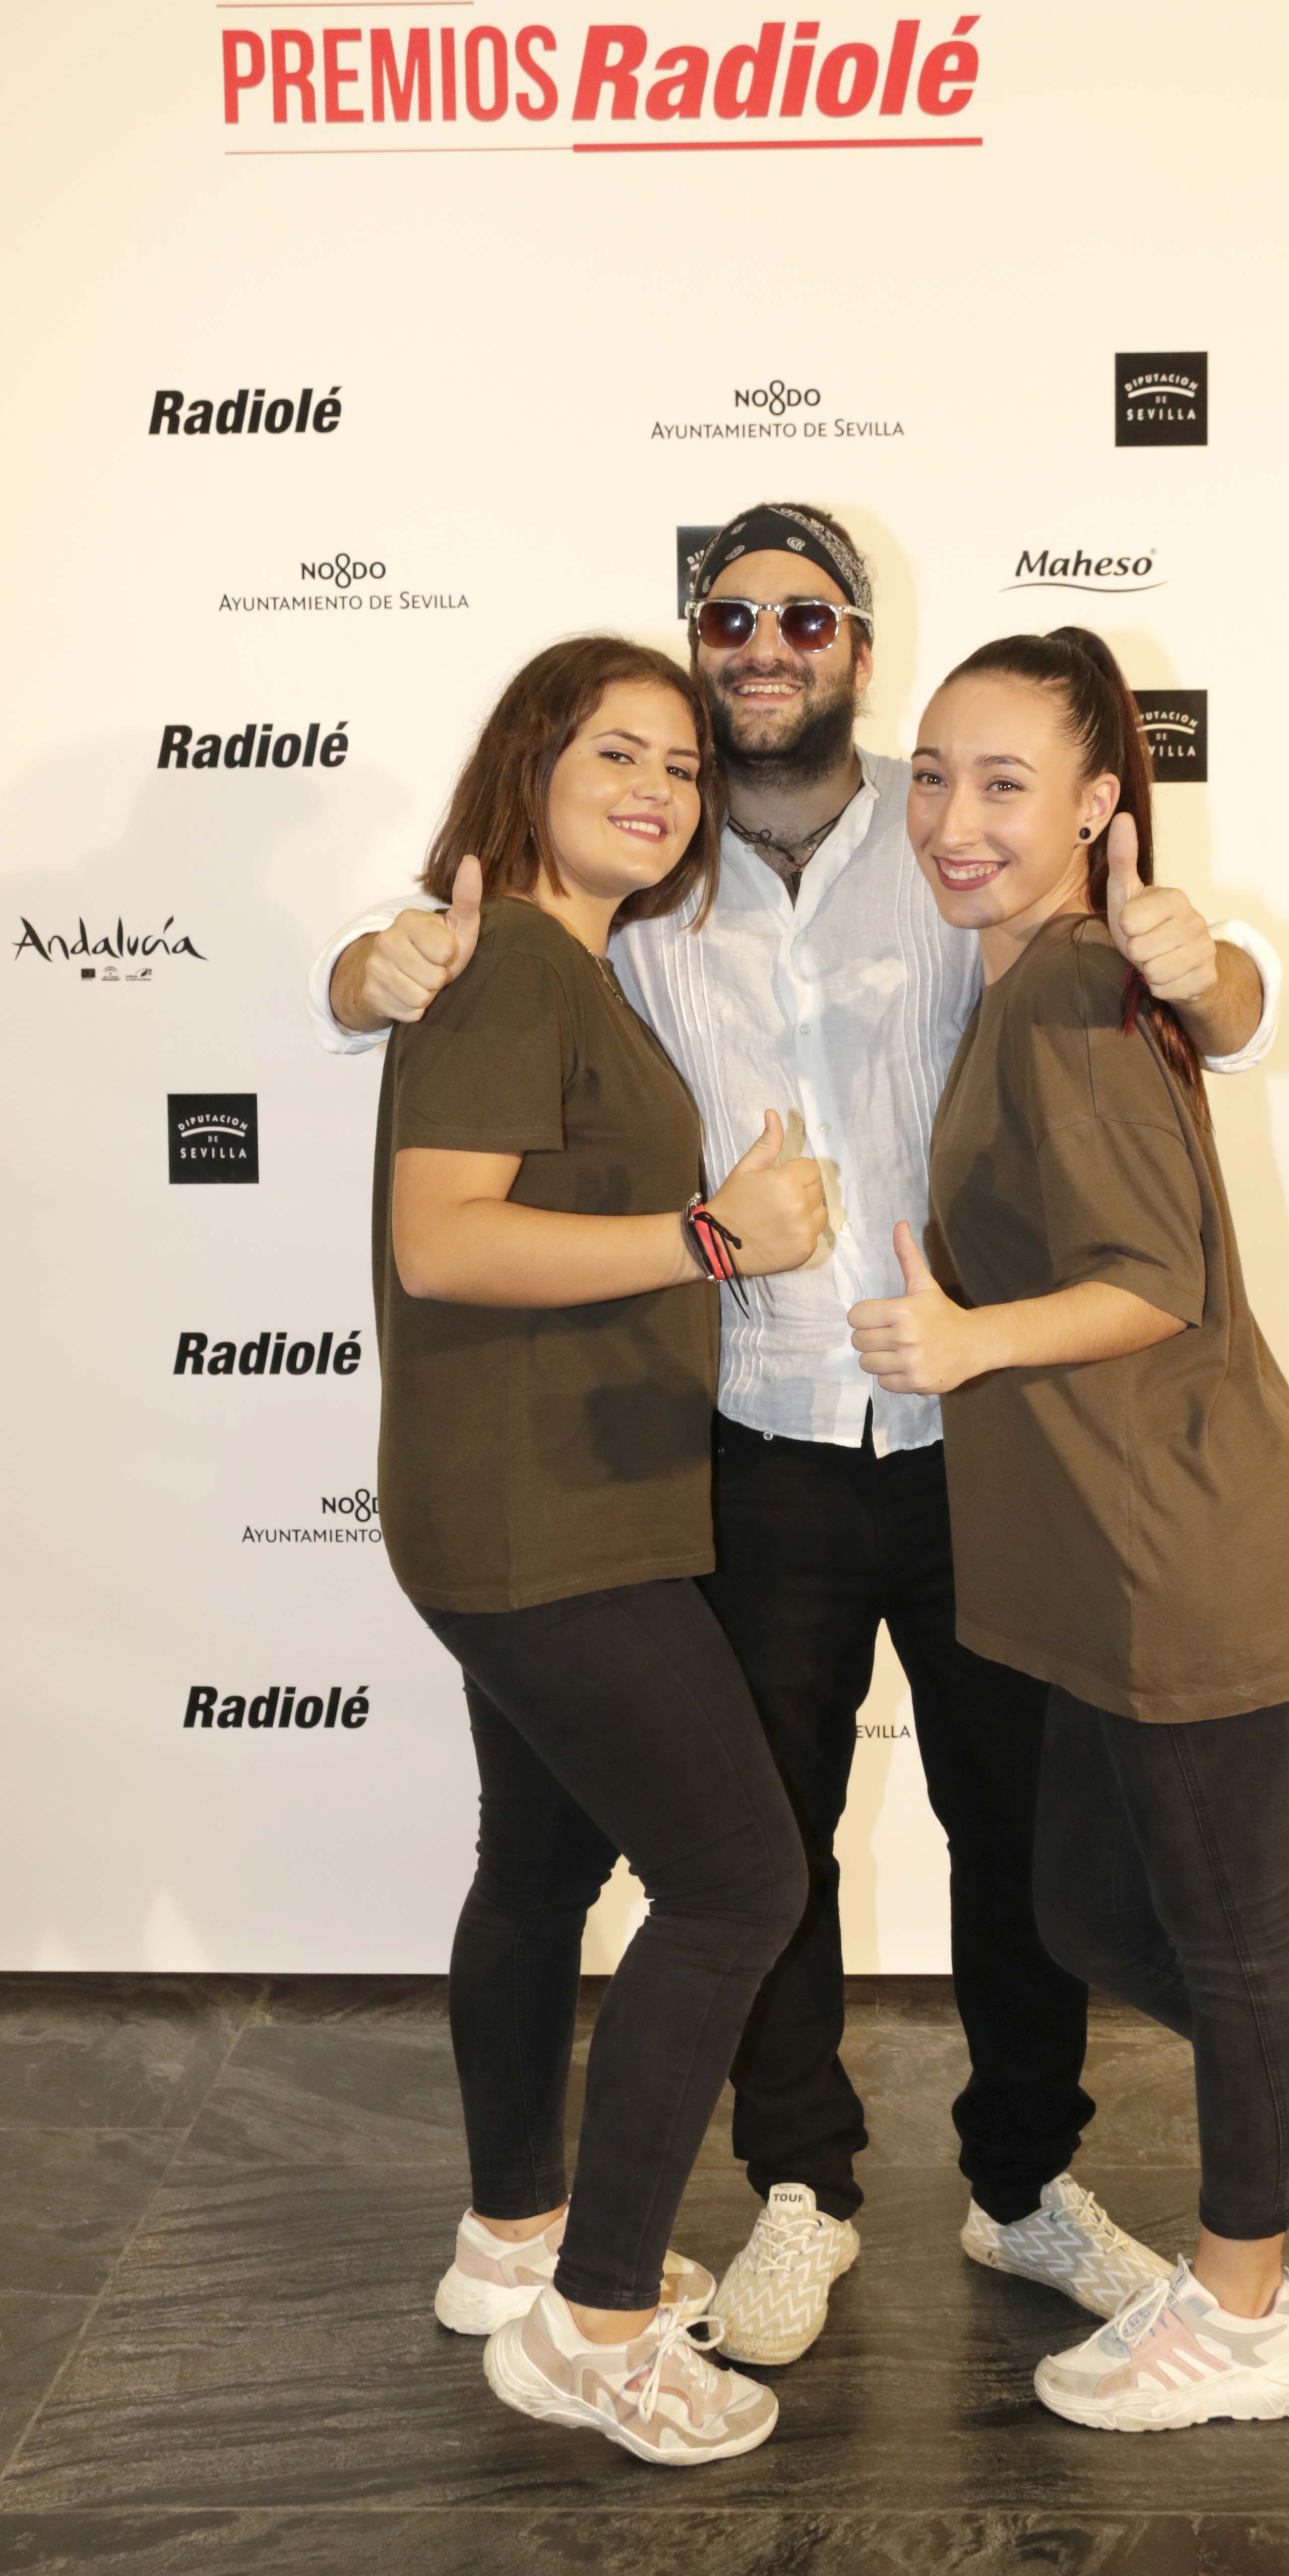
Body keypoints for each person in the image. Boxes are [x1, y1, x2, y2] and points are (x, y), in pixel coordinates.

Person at [312, 502, 1284, 2367]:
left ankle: (1023, 2184)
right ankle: (801, 2191)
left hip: (983, 1429)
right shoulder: (638, 860)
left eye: (807, 617)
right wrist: (364, 969)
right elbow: (433, 957)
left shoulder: (953, 823)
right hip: (748, 1434)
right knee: (775, 1850)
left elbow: (1221, 1007)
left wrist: (1200, 960)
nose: (766, 648)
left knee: (1017, 1837)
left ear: (858, 644)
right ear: (699, 643)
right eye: (732, 618)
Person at [849, 624, 1289, 2431]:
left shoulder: (1073, 989)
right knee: (1097, 1911)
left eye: (1005, 784)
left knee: (1235, 1953)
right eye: (932, 776)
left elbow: (1152, 1279)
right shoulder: (1030, 982)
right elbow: (1228, 1010)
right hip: (1104, 1557)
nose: (953, 819)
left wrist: (968, 1342)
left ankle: (1244, 2314)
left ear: (1100, 804)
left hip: (1187, 1550)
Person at [379, 632, 831, 2464]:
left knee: (544, 1859)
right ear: (532, 766)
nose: (658, 789)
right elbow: (443, 1241)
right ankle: (599, 2326)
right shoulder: (512, 966)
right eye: (615, 753)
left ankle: (513, 2239)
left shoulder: (561, 960)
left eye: (681, 765)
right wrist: (712, 1240)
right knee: (738, 1886)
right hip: (544, 1519)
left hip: (540, 1500)